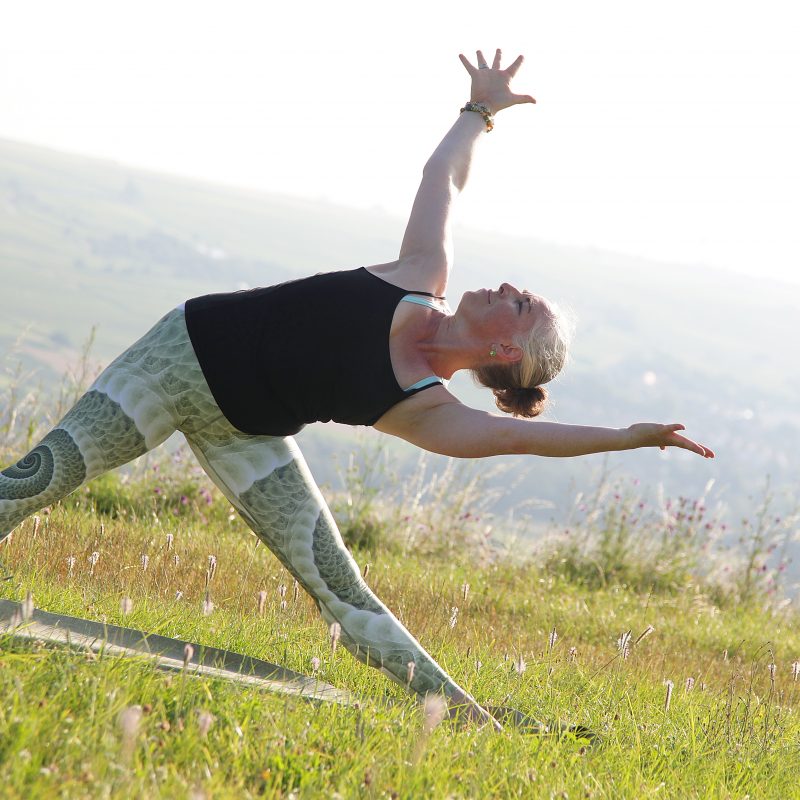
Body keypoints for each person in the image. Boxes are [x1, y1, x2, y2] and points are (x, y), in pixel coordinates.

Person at [0, 50, 713, 728]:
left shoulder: (430, 413)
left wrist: (626, 438)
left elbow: (525, 435)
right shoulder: (420, 269)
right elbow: (445, 176)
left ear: (503, 350)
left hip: (243, 433)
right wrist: (479, 111)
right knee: (39, 478)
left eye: (522, 305)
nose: (512, 287)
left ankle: (468, 719)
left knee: (343, 591)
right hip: (173, 362)